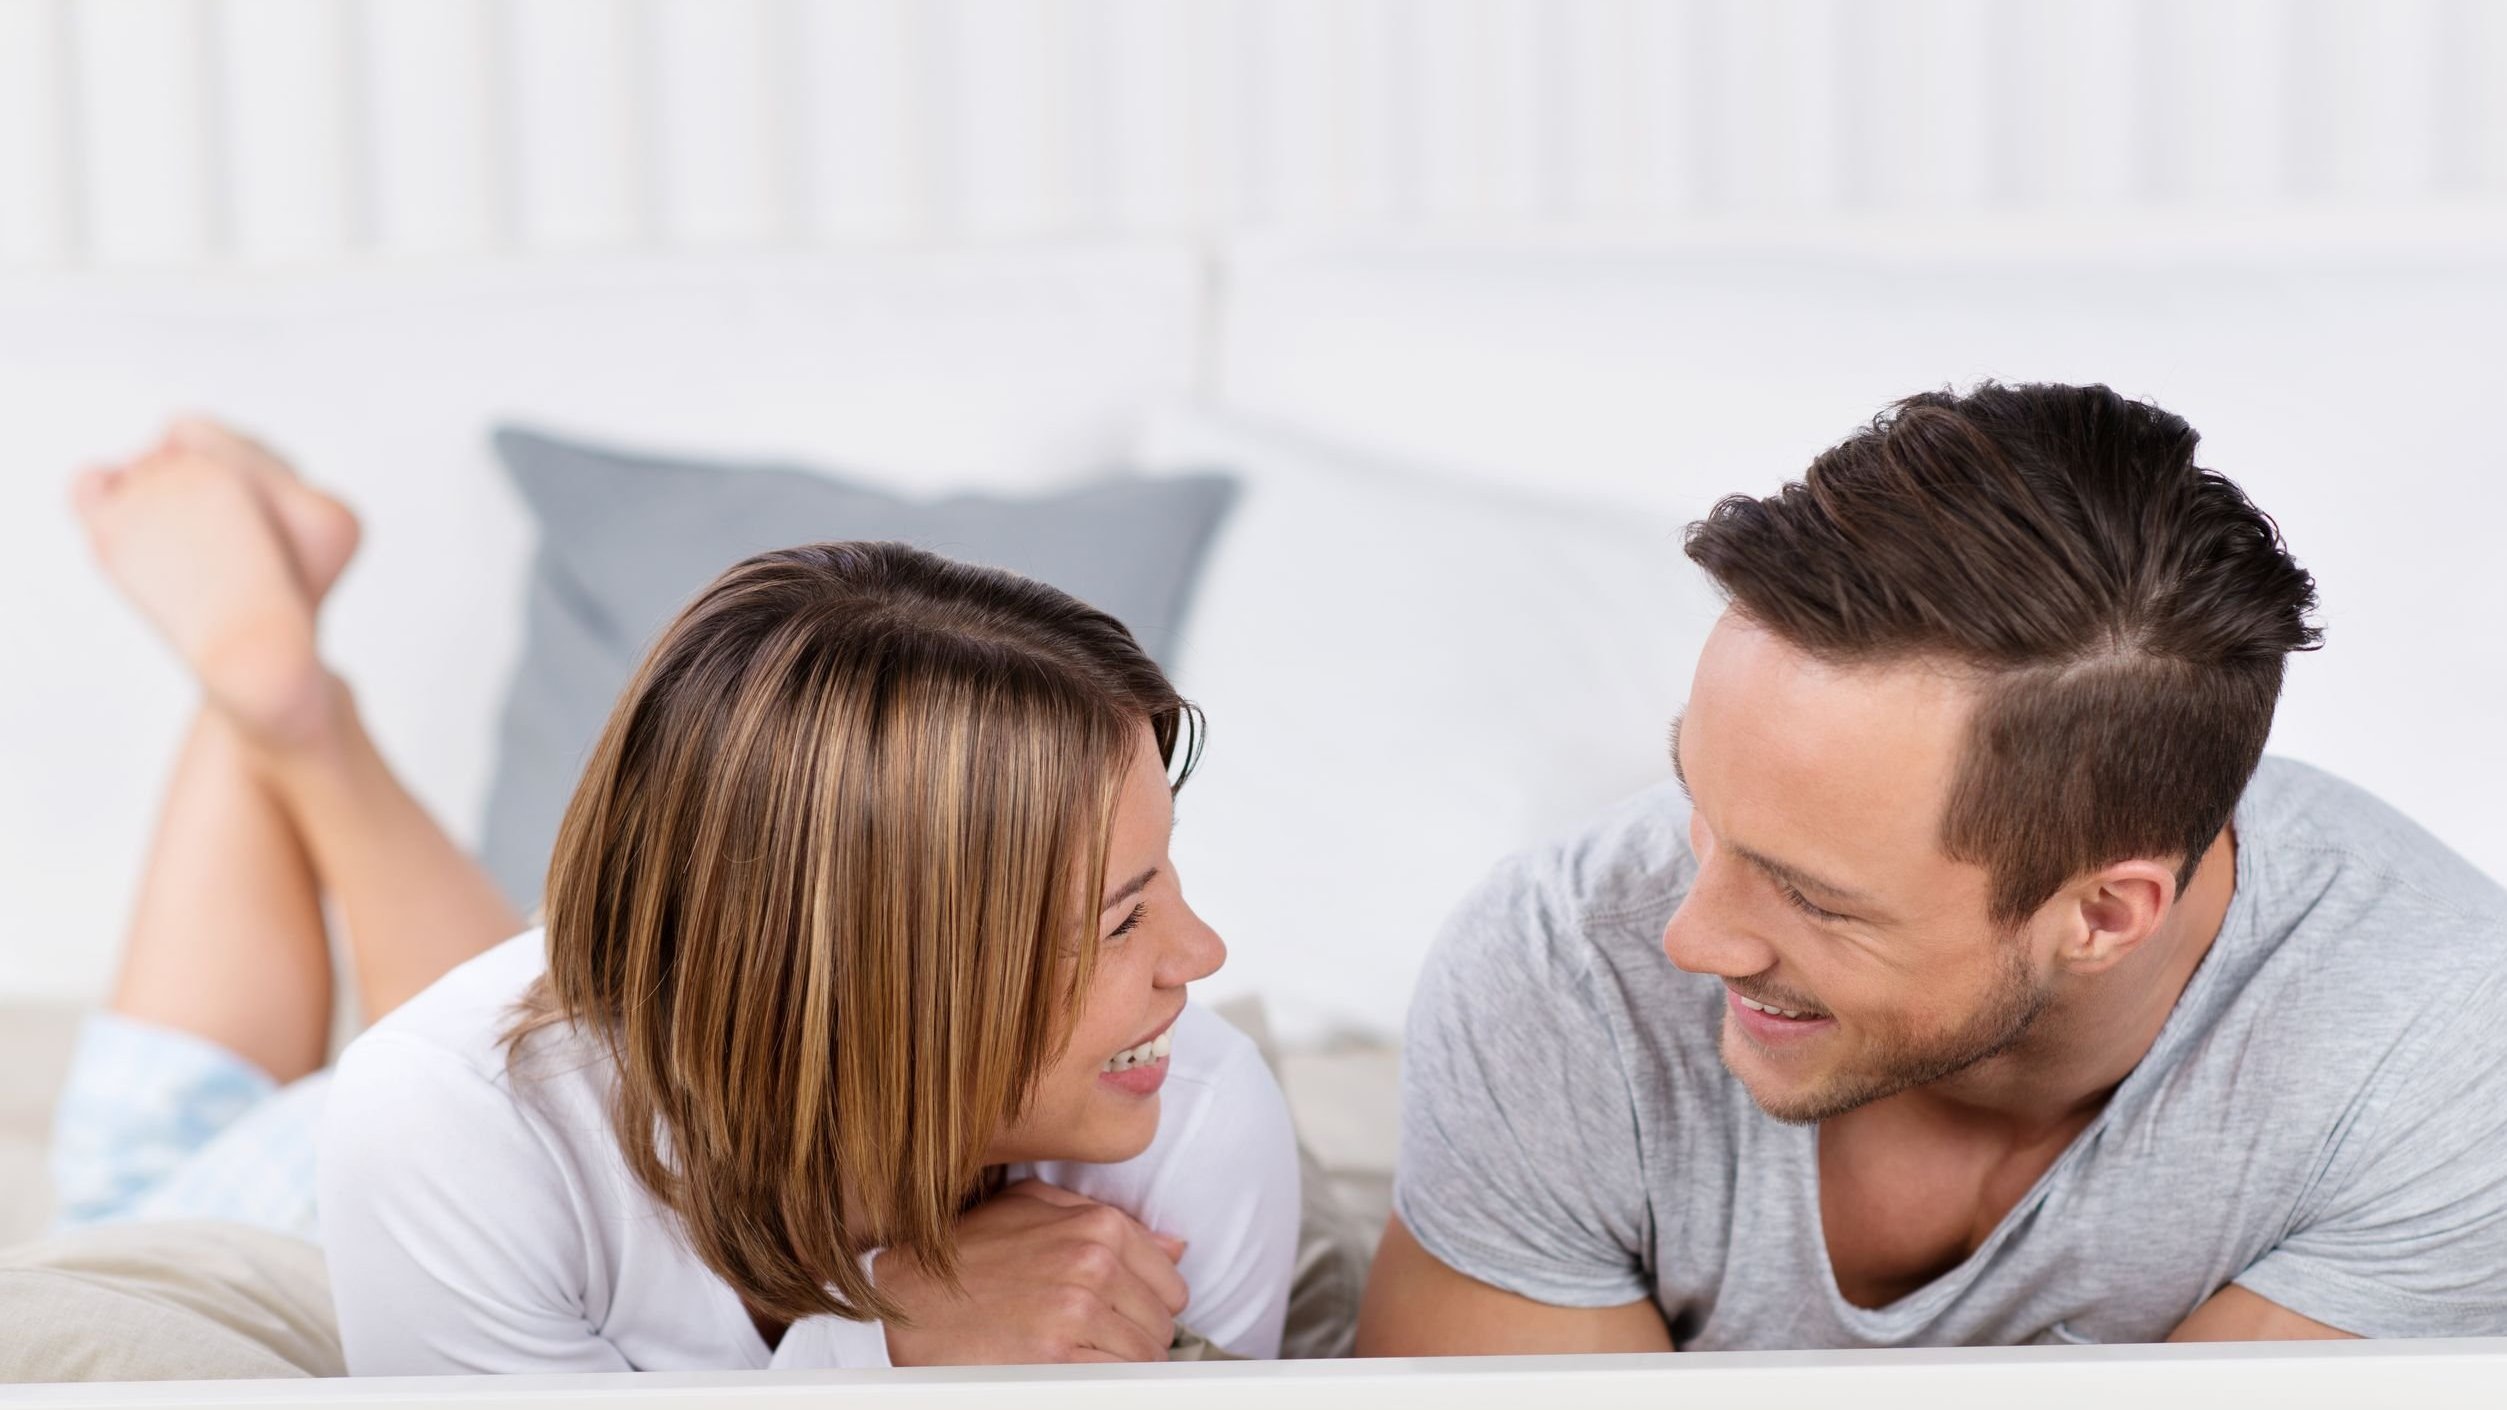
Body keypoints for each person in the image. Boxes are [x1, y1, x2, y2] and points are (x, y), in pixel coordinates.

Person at [54, 421, 1299, 1373]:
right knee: (134, 1168)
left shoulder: (1194, 1118)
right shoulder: (440, 1126)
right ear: (865, 970)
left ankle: (282, 698)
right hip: (281, 1195)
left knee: (507, 1025)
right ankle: (269, 695)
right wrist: (880, 1353)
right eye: (1122, 917)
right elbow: (456, 1115)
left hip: (607, 1055)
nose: (1203, 951)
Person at [1358, 382, 2507, 1353]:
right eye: (1697, 809)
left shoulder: (2434, 1061)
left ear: (2104, 913)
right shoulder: (1562, 970)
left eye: (1811, 895)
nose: (1689, 938)